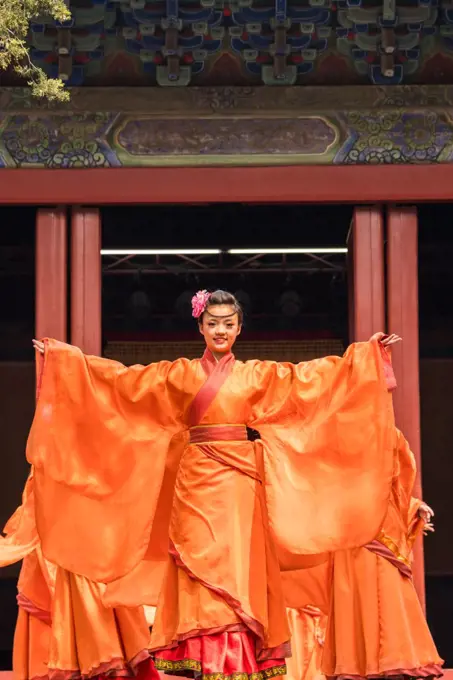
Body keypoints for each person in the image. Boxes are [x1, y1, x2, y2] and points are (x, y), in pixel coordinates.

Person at [3, 289, 400, 680]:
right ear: (201, 327)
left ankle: (237, 657)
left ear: (240, 328)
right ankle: (205, 655)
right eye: (213, 323)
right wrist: (62, 360)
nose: (221, 330)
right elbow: (122, 385)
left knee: (238, 567)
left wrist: (366, 356)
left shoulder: (256, 375)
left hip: (240, 483)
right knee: (195, 565)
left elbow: (310, 381)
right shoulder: (178, 375)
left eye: (228, 323)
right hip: (193, 480)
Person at [321, 428, 443, 680]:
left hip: (381, 521)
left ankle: (391, 658)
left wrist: (412, 507)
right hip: (348, 521)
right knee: (353, 586)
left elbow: (396, 483)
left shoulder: (388, 433)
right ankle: (357, 660)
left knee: (388, 586)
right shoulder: (337, 428)